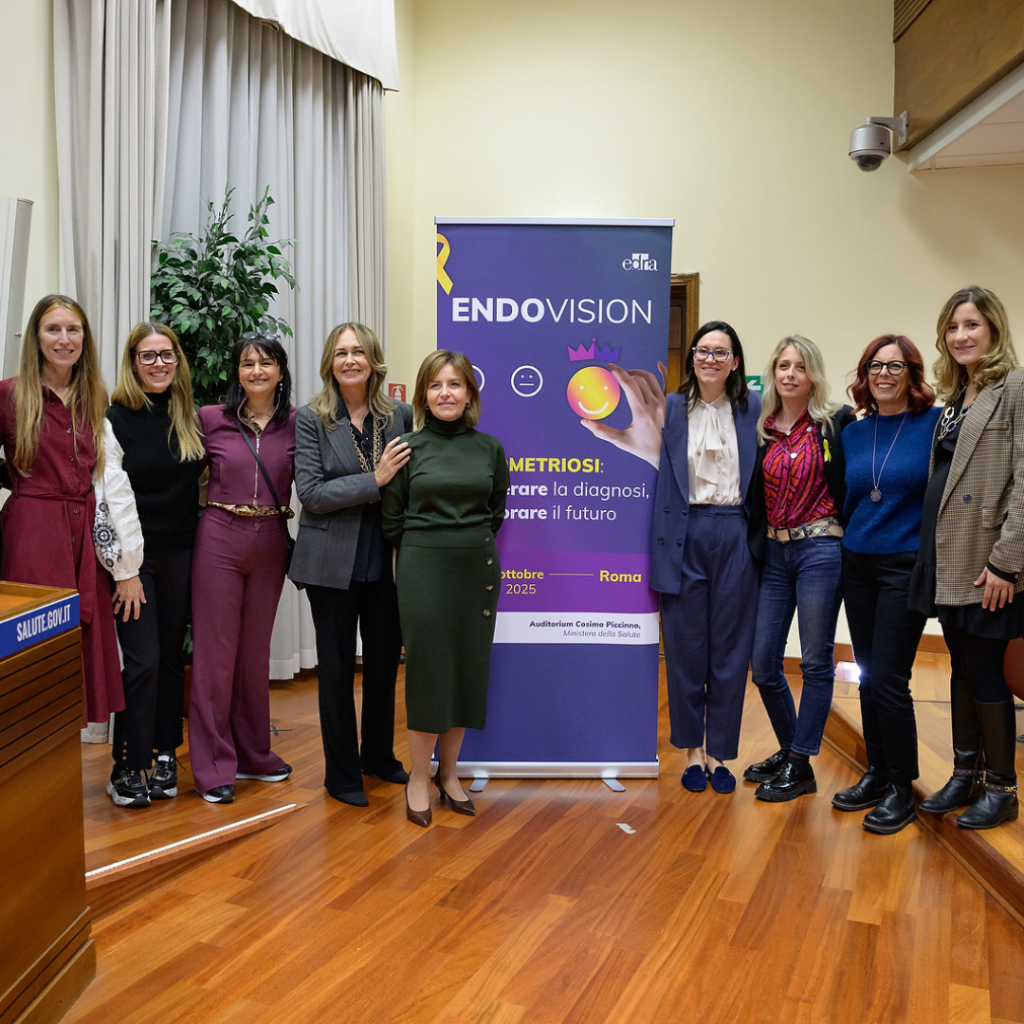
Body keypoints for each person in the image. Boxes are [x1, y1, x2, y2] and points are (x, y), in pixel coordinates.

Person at [909, 287, 1024, 830]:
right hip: (948, 555)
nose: (961, 336)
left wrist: (1007, 561)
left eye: (972, 325)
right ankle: (964, 774)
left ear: (994, 329)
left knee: (982, 667)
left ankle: (1002, 788)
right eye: (952, 327)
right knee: (961, 664)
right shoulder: (956, 396)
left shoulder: (1015, 387)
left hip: (987, 560)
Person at [382, 350, 509, 827]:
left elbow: (495, 510)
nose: (445, 393)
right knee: (429, 673)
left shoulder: (489, 448)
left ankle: (449, 774)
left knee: (466, 671)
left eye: (454, 384)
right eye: (435, 385)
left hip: (476, 569)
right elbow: (392, 519)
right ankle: (419, 777)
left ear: (469, 393)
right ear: (423, 395)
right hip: (423, 569)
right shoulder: (406, 447)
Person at [0, 294, 137, 739]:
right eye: (53, 329)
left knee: (77, 640)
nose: (64, 339)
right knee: (34, 637)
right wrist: (18, 481)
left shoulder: (94, 395)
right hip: (33, 531)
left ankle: (58, 762)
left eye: (73, 330)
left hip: (86, 534)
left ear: (84, 338)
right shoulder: (8, 394)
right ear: (36, 338)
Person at [290, 323, 412, 806]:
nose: (350, 360)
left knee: (383, 665)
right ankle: (341, 775)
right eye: (341, 353)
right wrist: (374, 480)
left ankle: (377, 756)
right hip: (330, 562)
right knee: (337, 670)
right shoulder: (311, 418)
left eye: (358, 351)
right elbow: (312, 494)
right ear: (330, 363)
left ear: (373, 360)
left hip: (387, 559)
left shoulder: (400, 415)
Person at [649, 322, 761, 794]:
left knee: (731, 651)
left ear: (735, 362)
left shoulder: (755, 408)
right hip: (683, 531)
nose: (710, 359)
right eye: (702, 350)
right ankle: (692, 750)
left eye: (721, 352)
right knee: (685, 648)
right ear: (692, 356)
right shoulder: (670, 408)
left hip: (736, 532)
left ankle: (720, 752)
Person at [833, 336, 939, 833]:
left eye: (896, 366)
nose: (884, 374)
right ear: (865, 374)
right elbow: (845, 496)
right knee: (869, 674)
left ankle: (902, 787)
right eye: (876, 366)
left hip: (904, 566)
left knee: (892, 678)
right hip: (857, 562)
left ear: (912, 373)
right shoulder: (854, 433)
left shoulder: (933, 426)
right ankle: (876, 772)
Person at [744, 336, 855, 801]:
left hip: (820, 550)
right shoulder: (762, 428)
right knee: (764, 662)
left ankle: (800, 762)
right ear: (773, 372)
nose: (790, 374)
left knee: (814, 660)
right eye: (783, 365)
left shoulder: (835, 423)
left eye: (800, 367)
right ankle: (793, 751)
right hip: (775, 553)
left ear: (813, 375)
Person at [188, 333, 296, 804]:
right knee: (215, 659)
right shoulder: (210, 419)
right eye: (248, 363)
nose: (257, 371)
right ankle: (213, 767)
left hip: (271, 539)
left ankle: (255, 756)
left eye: (266, 363)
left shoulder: (297, 424)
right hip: (219, 536)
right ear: (236, 371)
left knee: (254, 656)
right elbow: (179, 476)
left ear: (280, 372)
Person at [105, 323, 205, 807]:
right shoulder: (115, 418)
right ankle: (127, 762)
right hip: (134, 559)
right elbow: (109, 498)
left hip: (181, 552)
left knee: (169, 657)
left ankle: (166, 753)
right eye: (148, 356)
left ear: (177, 360)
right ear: (133, 362)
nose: (158, 364)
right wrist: (124, 569)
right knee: (142, 659)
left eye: (166, 355)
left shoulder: (189, 416)